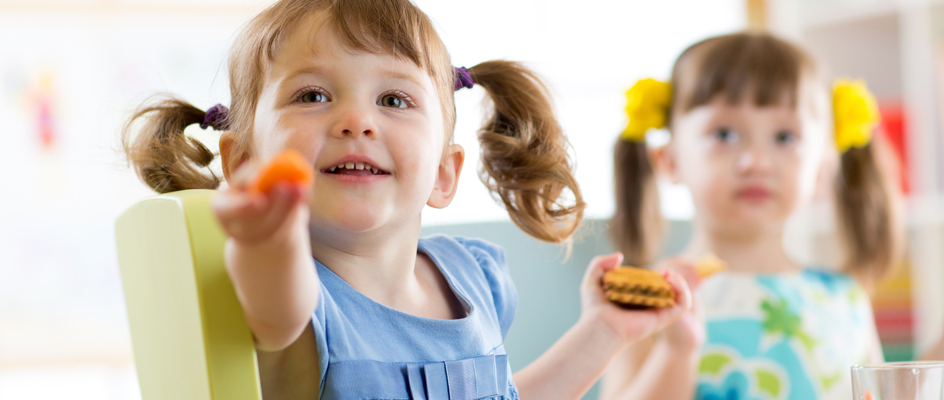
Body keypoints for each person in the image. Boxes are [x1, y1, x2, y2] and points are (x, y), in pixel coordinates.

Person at [121, 1, 692, 398]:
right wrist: (266, 235)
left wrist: (603, 332)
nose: (356, 120)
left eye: (394, 99)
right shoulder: (295, 297)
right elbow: (276, 303)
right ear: (244, 162)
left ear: (444, 173)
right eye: (312, 94)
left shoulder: (476, 278)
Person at [600, 32, 944, 400]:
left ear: (823, 170)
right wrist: (676, 349)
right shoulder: (646, 300)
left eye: (785, 137)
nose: (755, 161)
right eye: (723, 134)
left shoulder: (843, 298)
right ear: (669, 161)